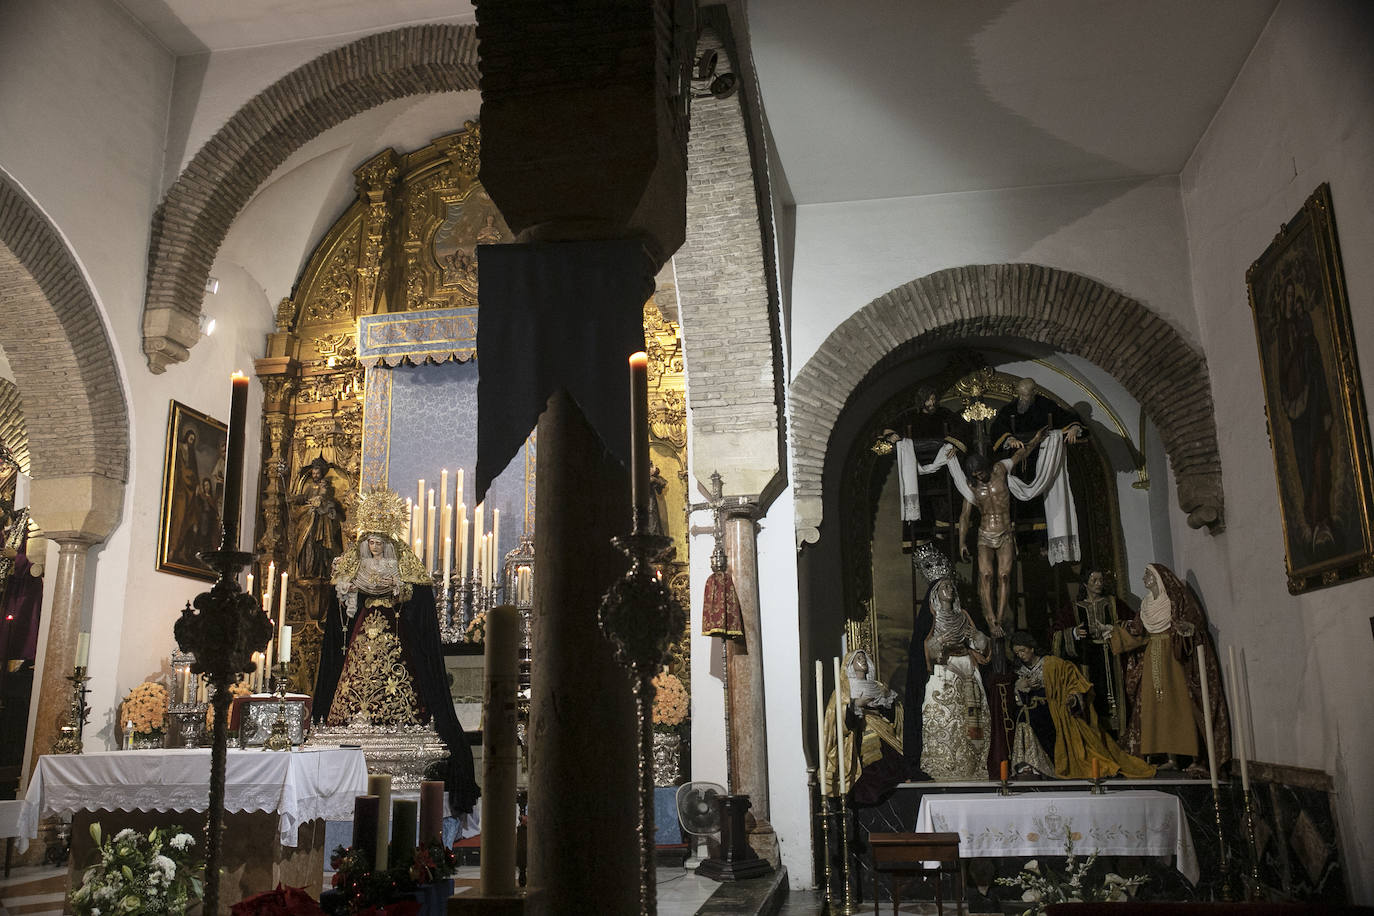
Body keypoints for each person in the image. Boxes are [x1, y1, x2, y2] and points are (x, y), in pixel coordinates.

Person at [314, 488, 479, 816]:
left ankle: (402, 724)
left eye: (379, 542)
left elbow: (416, 598)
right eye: (370, 542)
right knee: (355, 677)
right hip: (363, 630)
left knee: (399, 677)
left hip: (394, 632)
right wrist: (346, 592)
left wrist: (400, 591)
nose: (374, 547)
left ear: (388, 543)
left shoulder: (401, 563)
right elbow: (344, 605)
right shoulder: (355, 564)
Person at [1108, 563, 1231, 772]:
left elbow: (1194, 623)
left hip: (1173, 656)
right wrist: (1112, 631)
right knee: (1156, 706)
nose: (1144, 577)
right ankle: (1170, 757)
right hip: (1152, 655)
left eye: (1148, 574)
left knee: (1180, 704)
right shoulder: (1146, 605)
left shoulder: (1173, 601)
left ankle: (1194, 758)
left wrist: (1187, 629)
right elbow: (1136, 631)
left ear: (1158, 577)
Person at [1009, 631, 1154, 780]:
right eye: (1017, 653)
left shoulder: (1052, 663)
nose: (1020, 655)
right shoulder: (1018, 670)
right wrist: (1021, 687)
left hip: (1054, 708)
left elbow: (1073, 682)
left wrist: (1072, 698)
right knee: (1023, 717)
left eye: (1022, 650)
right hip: (1031, 708)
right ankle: (1030, 765)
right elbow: (1018, 699)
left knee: (1038, 719)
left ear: (1031, 648)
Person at [957, 428, 1045, 637]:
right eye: (975, 475)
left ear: (985, 467)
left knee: (1004, 576)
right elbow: (964, 516)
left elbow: (1019, 454)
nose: (979, 476)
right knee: (986, 576)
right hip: (985, 534)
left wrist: (1035, 439)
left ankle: (1001, 616)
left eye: (980, 472)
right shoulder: (972, 487)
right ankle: (990, 620)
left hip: (1005, 532)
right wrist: (961, 542)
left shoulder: (1000, 469)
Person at [914, 576, 992, 781]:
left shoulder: (963, 616)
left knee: (974, 717)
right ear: (935, 593)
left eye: (951, 586)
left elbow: (978, 645)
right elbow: (922, 648)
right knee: (944, 716)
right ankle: (943, 763)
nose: (949, 589)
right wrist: (938, 642)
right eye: (944, 586)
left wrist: (978, 638)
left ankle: (974, 764)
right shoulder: (933, 617)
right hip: (943, 671)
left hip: (966, 666)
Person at [883, 383, 971, 555]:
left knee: (947, 499)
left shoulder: (943, 413)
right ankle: (922, 538)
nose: (931, 403)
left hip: (941, 465)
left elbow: (962, 427)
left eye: (933, 399)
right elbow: (889, 429)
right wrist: (892, 435)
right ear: (922, 400)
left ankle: (944, 531)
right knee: (921, 504)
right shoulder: (909, 416)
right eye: (928, 400)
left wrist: (955, 443)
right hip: (915, 468)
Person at [1052, 569, 1133, 737]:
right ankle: (1095, 737)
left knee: (1117, 696)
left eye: (1101, 580)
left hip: (1113, 656)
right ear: (1085, 584)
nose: (1098, 583)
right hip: (1087, 659)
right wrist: (1073, 633)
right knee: (1092, 699)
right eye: (1094, 580)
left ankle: (1121, 736)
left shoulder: (1113, 603)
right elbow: (1054, 634)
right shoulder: (1073, 608)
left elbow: (1132, 623)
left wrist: (1115, 630)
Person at [823, 649, 904, 803]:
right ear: (850, 664)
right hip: (859, 732)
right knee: (871, 756)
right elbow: (834, 716)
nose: (863, 660)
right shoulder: (844, 691)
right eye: (858, 658)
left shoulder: (878, 686)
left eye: (865, 658)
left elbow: (894, 711)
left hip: (882, 727)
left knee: (893, 758)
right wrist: (857, 705)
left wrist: (886, 705)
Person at [290, 456, 344, 620]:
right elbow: (304, 499)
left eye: (317, 471)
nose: (314, 473)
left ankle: (320, 570)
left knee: (318, 549)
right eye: (313, 471)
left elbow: (323, 498)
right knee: (307, 548)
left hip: (320, 526)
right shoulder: (308, 487)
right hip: (308, 525)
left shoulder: (324, 486)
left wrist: (319, 502)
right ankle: (307, 571)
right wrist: (295, 498)